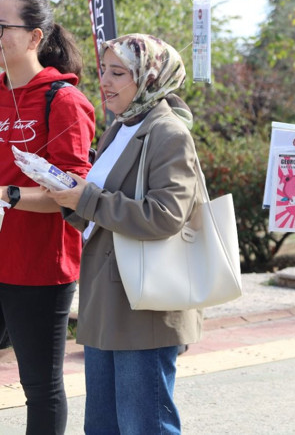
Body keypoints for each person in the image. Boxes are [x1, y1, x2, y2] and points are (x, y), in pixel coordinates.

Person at [47, 34, 200, 434]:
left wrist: (88, 200)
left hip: (144, 308)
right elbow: (99, 211)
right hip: (106, 302)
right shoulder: (120, 128)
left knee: (144, 426)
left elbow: (167, 216)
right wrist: (69, 197)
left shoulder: (168, 132)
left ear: (150, 77)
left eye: (118, 73)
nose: (106, 82)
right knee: (102, 427)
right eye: (104, 72)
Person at [0, 0, 95, 434]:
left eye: (3, 27)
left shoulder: (64, 101)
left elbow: (75, 190)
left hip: (38, 266)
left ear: (35, 37)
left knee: (39, 385)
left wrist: (9, 195)